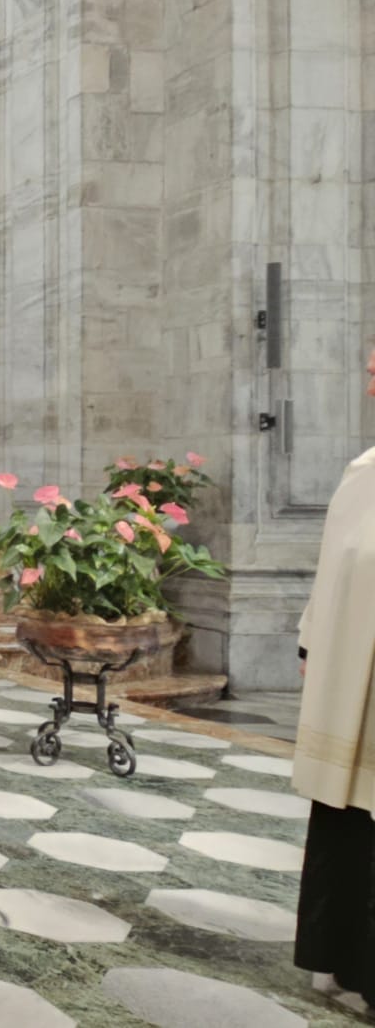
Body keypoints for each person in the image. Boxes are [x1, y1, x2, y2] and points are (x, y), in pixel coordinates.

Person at [293, 344, 375, 1004]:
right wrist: (312, 638)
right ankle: (342, 957)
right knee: (348, 814)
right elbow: (335, 567)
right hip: (350, 672)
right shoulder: (363, 468)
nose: (368, 376)